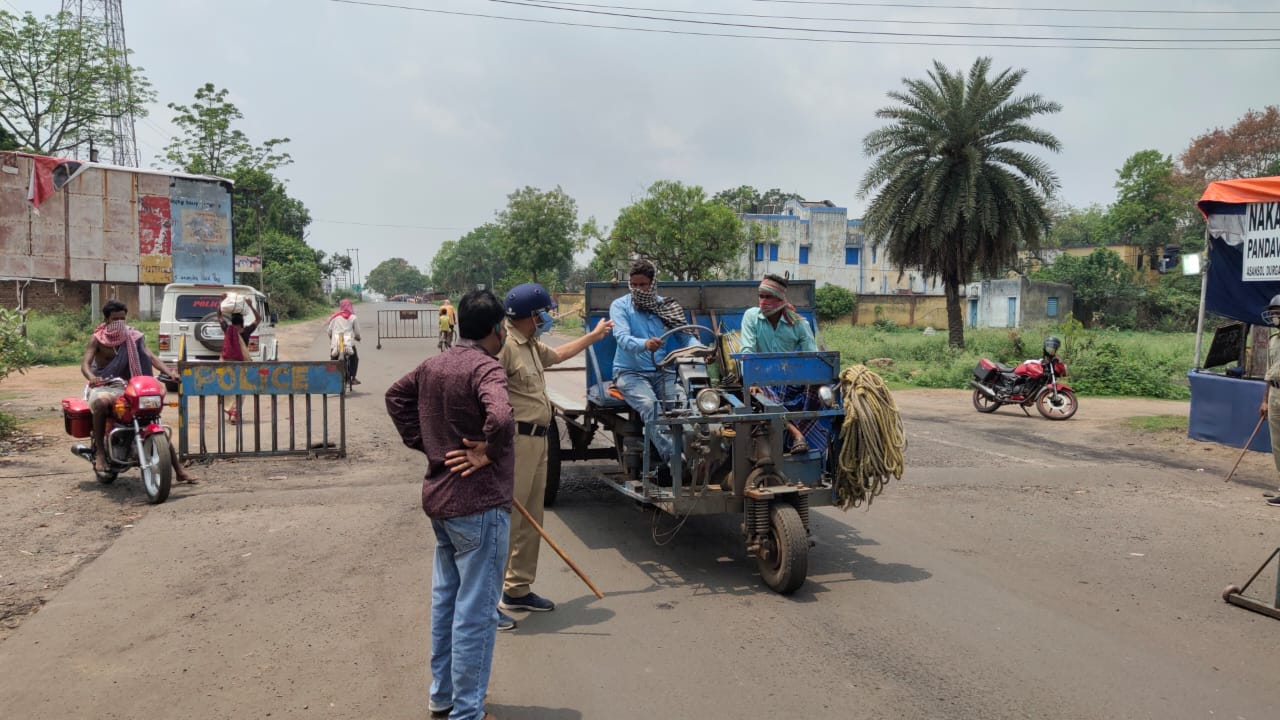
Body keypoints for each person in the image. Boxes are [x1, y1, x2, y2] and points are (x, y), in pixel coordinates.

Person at [385, 289, 515, 720]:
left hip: (442, 504)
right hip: (479, 507)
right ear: (498, 328)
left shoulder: (433, 365)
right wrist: (488, 453)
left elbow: (395, 397)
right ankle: (467, 713)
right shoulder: (486, 368)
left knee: (447, 603)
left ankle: (443, 698)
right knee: (476, 614)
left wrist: (428, 445)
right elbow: (501, 417)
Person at [494, 283, 614, 622]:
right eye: (543, 312)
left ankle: (517, 590)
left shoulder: (530, 344)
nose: (547, 317)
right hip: (515, 443)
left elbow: (558, 355)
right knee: (508, 523)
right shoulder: (504, 348)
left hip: (539, 440)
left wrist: (594, 336)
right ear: (530, 316)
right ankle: (488, 604)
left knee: (532, 519)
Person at [81, 300, 197, 483]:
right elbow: (85, 363)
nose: (120, 322)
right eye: (115, 319)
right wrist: (92, 377)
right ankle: (101, 454)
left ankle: (179, 471)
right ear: (106, 319)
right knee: (101, 403)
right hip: (106, 385)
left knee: (152, 419)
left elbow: (150, 356)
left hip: (132, 385)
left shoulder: (134, 336)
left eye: (122, 318)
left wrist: (169, 372)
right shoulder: (98, 338)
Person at [609, 259, 699, 468]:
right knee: (652, 408)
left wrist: (700, 350)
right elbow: (621, 337)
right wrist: (645, 344)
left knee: (685, 409)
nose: (638, 289)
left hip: (663, 371)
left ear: (653, 283)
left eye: (643, 284)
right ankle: (677, 464)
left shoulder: (667, 306)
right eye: (635, 284)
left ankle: (700, 459)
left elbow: (685, 336)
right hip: (630, 373)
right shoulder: (620, 306)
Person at [739, 274, 821, 455]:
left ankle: (820, 452)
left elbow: (812, 357)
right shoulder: (751, 317)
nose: (763, 301)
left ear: (780, 299)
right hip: (761, 378)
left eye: (769, 297)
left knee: (820, 391)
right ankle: (797, 434)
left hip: (791, 380)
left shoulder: (799, 323)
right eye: (761, 296)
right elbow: (747, 350)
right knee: (764, 392)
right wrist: (752, 381)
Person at [1258, 294, 1280, 507]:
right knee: (1277, 444)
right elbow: (1268, 372)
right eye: (1273, 312)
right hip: (1274, 393)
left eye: (1277, 311)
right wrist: (1264, 400)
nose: (1274, 315)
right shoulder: (1274, 340)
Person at [327, 298, 362, 385]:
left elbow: (329, 331)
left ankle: (332, 378)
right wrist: (358, 338)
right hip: (348, 342)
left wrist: (331, 339)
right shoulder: (353, 317)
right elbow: (357, 333)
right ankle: (353, 378)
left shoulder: (335, 317)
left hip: (336, 342)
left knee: (333, 360)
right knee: (355, 359)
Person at [217, 293, 259, 362]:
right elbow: (258, 319)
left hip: (227, 360)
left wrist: (222, 301)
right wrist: (250, 305)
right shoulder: (246, 331)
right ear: (242, 321)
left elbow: (219, 316)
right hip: (243, 360)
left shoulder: (227, 329)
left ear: (232, 321)